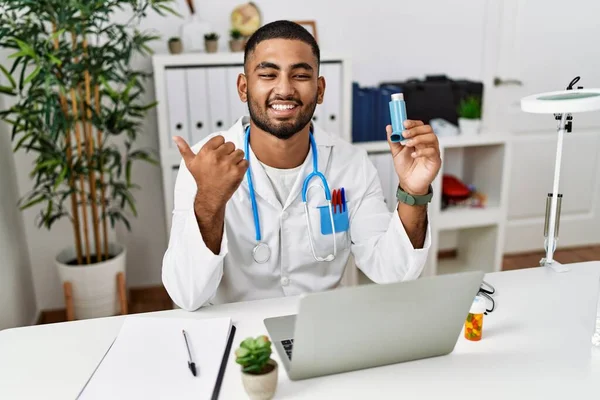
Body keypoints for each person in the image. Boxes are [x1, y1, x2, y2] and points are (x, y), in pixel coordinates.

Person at [162, 20, 442, 311]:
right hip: (238, 339)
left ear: (320, 90)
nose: (284, 89)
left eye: (299, 75)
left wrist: (413, 190)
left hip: (323, 328)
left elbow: (393, 272)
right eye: (268, 74)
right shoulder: (205, 164)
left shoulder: (351, 165)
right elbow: (187, 296)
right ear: (244, 88)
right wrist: (209, 200)